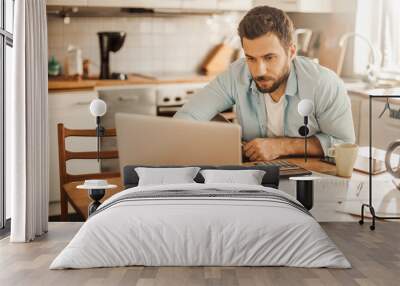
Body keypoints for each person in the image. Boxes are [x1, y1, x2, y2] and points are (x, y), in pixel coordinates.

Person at [174, 5, 355, 162]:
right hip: (254, 177)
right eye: (251, 58)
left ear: (291, 51)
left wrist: (282, 147)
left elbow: (344, 145)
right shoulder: (236, 74)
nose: (259, 71)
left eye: (269, 58)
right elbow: (187, 118)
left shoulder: (323, 84)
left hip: (310, 181)